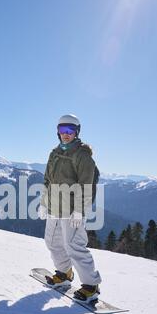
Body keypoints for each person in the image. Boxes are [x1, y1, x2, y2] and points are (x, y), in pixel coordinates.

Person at [38, 114, 102, 303]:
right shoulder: (55, 153)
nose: (65, 134)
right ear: (57, 132)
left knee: (74, 247)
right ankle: (64, 273)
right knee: (52, 242)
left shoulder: (82, 156)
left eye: (70, 130)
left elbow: (86, 185)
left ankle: (91, 286)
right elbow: (47, 181)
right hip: (54, 208)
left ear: (76, 132)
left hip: (72, 210)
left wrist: (80, 210)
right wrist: (43, 202)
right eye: (62, 130)